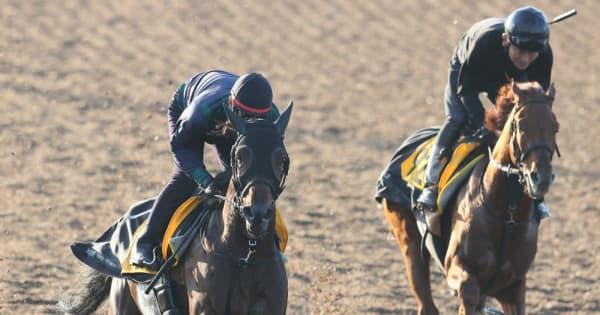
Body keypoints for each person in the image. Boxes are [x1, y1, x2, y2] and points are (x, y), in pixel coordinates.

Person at [132, 70, 280, 269]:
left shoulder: (273, 117)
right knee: (185, 179)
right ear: (232, 107)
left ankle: (267, 245)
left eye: (256, 120)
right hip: (188, 112)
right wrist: (204, 180)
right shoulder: (202, 110)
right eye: (244, 118)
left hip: (224, 122)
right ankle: (146, 242)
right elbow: (180, 145)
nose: (249, 124)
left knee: (245, 182)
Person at [417, 6, 553, 218]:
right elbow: (467, 92)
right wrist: (482, 124)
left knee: (520, 127)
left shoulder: (544, 56)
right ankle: (431, 184)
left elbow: (537, 102)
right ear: (505, 39)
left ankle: (535, 196)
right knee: (458, 118)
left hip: (508, 75)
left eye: (532, 53)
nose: (526, 59)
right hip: (469, 67)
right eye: (521, 50)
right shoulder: (483, 45)